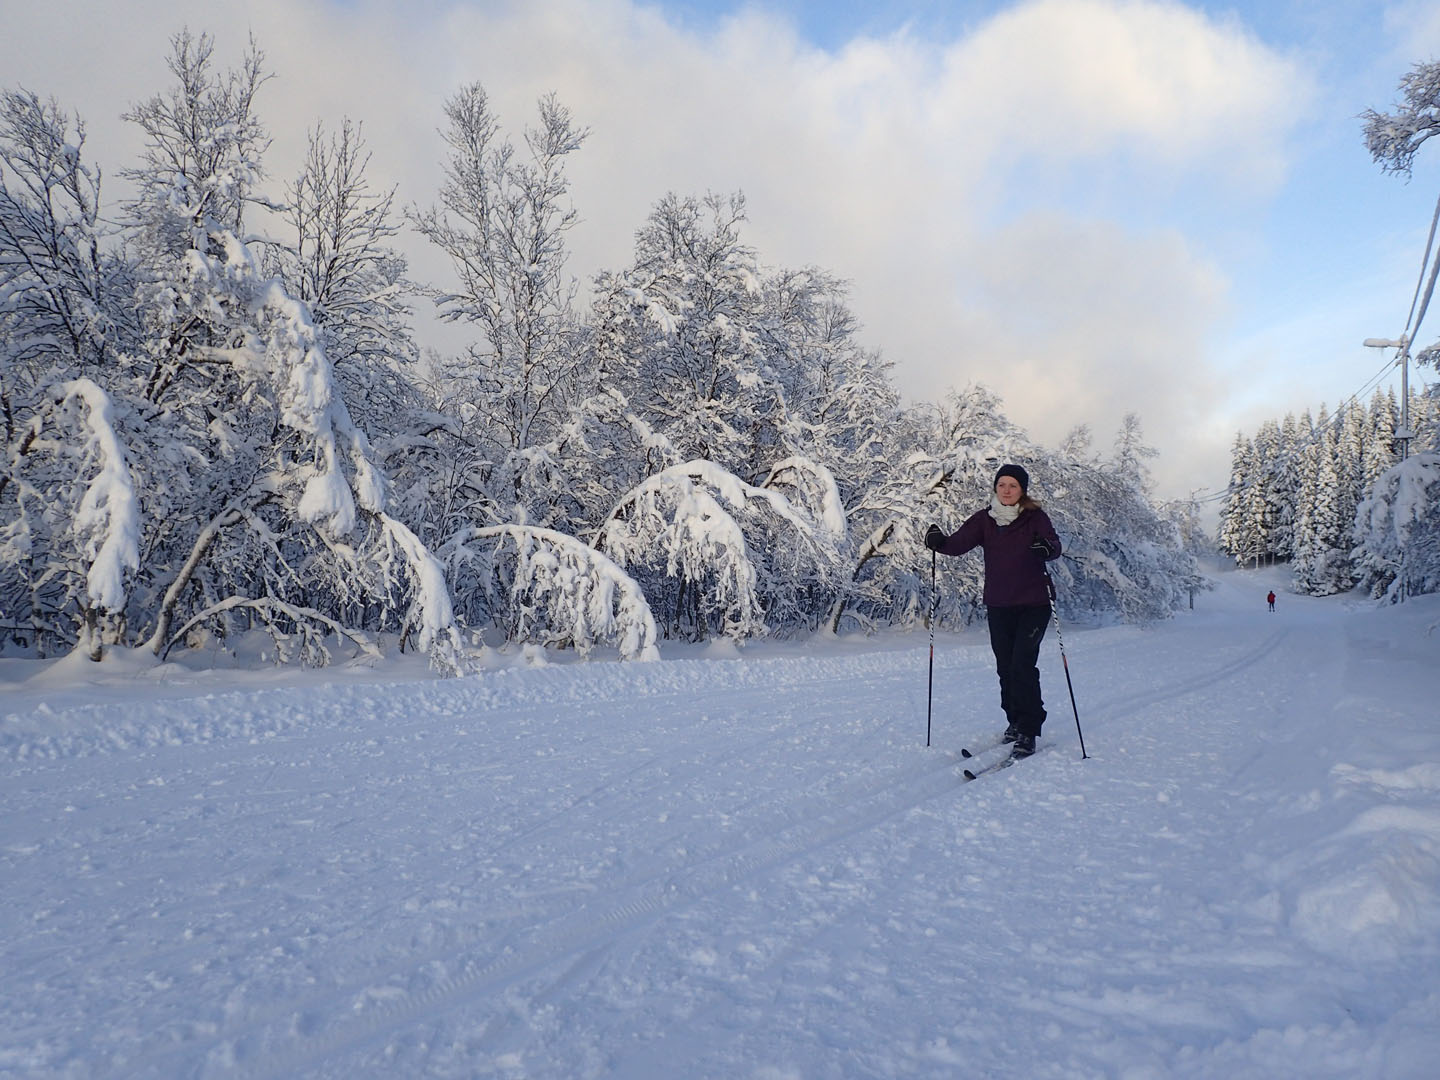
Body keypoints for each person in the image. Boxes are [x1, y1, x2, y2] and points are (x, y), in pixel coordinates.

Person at [924, 464, 1063, 758]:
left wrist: (1046, 548)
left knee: (1022, 664)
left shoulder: (1034, 518)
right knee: (1005, 666)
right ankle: (1014, 721)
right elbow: (957, 544)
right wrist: (938, 541)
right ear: (995, 488)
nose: (1007, 490)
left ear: (1022, 490)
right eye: (1002, 485)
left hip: (1034, 604)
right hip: (999, 604)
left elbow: (1054, 545)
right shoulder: (985, 520)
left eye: (1013, 485)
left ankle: (1028, 730)